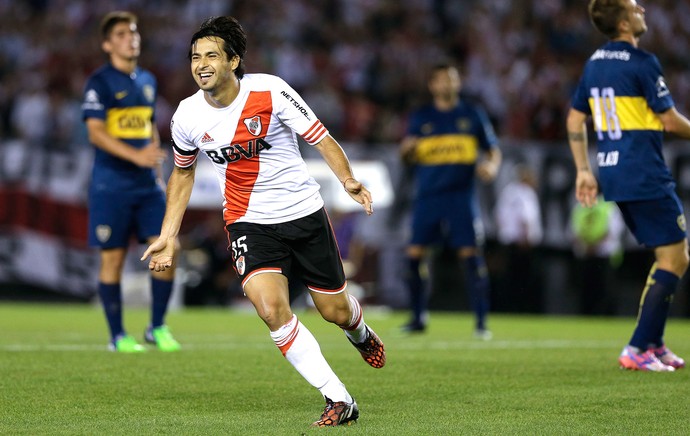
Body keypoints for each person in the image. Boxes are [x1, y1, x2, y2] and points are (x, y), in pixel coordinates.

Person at [141, 16, 385, 427]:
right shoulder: (186, 117)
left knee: (335, 311)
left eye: (211, 55)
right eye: (195, 57)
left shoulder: (270, 91)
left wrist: (346, 179)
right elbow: (182, 174)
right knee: (271, 309)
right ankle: (339, 399)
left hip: (304, 214)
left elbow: (320, 136)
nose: (201, 64)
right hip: (247, 222)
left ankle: (359, 332)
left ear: (234, 60)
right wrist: (168, 235)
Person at [567, 0, 690, 371]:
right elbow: (668, 121)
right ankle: (638, 347)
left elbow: (575, 119)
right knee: (676, 257)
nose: (643, 10)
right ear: (623, 21)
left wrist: (583, 170)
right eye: (635, 6)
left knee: (669, 256)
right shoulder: (642, 63)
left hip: (613, 172)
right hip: (644, 169)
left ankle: (654, 343)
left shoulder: (593, 64)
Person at [82, 11, 180, 353]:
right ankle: (117, 336)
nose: (131, 38)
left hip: (145, 185)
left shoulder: (148, 80)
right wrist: (135, 156)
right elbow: (95, 132)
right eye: (122, 33)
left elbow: (149, 124)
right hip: (111, 185)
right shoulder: (99, 82)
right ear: (108, 44)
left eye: (134, 32)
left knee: (169, 247)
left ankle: (157, 327)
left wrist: (152, 160)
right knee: (114, 259)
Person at [400, 63, 501, 338]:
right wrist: (406, 150)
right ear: (433, 85)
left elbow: (493, 150)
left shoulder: (472, 114)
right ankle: (418, 316)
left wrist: (491, 166)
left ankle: (481, 322)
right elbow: (406, 153)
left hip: (460, 196)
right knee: (414, 254)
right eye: (442, 79)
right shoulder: (422, 116)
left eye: (452, 79)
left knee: (470, 255)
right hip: (428, 196)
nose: (448, 84)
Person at [494, 163, 543, 313]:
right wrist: (526, 237)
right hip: (523, 243)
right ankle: (522, 309)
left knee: (508, 278)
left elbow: (497, 216)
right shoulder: (526, 192)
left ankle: (506, 309)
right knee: (523, 280)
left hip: (507, 241)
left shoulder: (507, 192)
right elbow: (526, 217)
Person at [570, 196, 625, 315]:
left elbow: (612, 232)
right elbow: (573, 230)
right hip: (586, 256)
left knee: (605, 291)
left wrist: (591, 245)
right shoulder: (580, 206)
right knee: (587, 291)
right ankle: (587, 316)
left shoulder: (608, 206)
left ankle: (606, 317)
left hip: (604, 256)